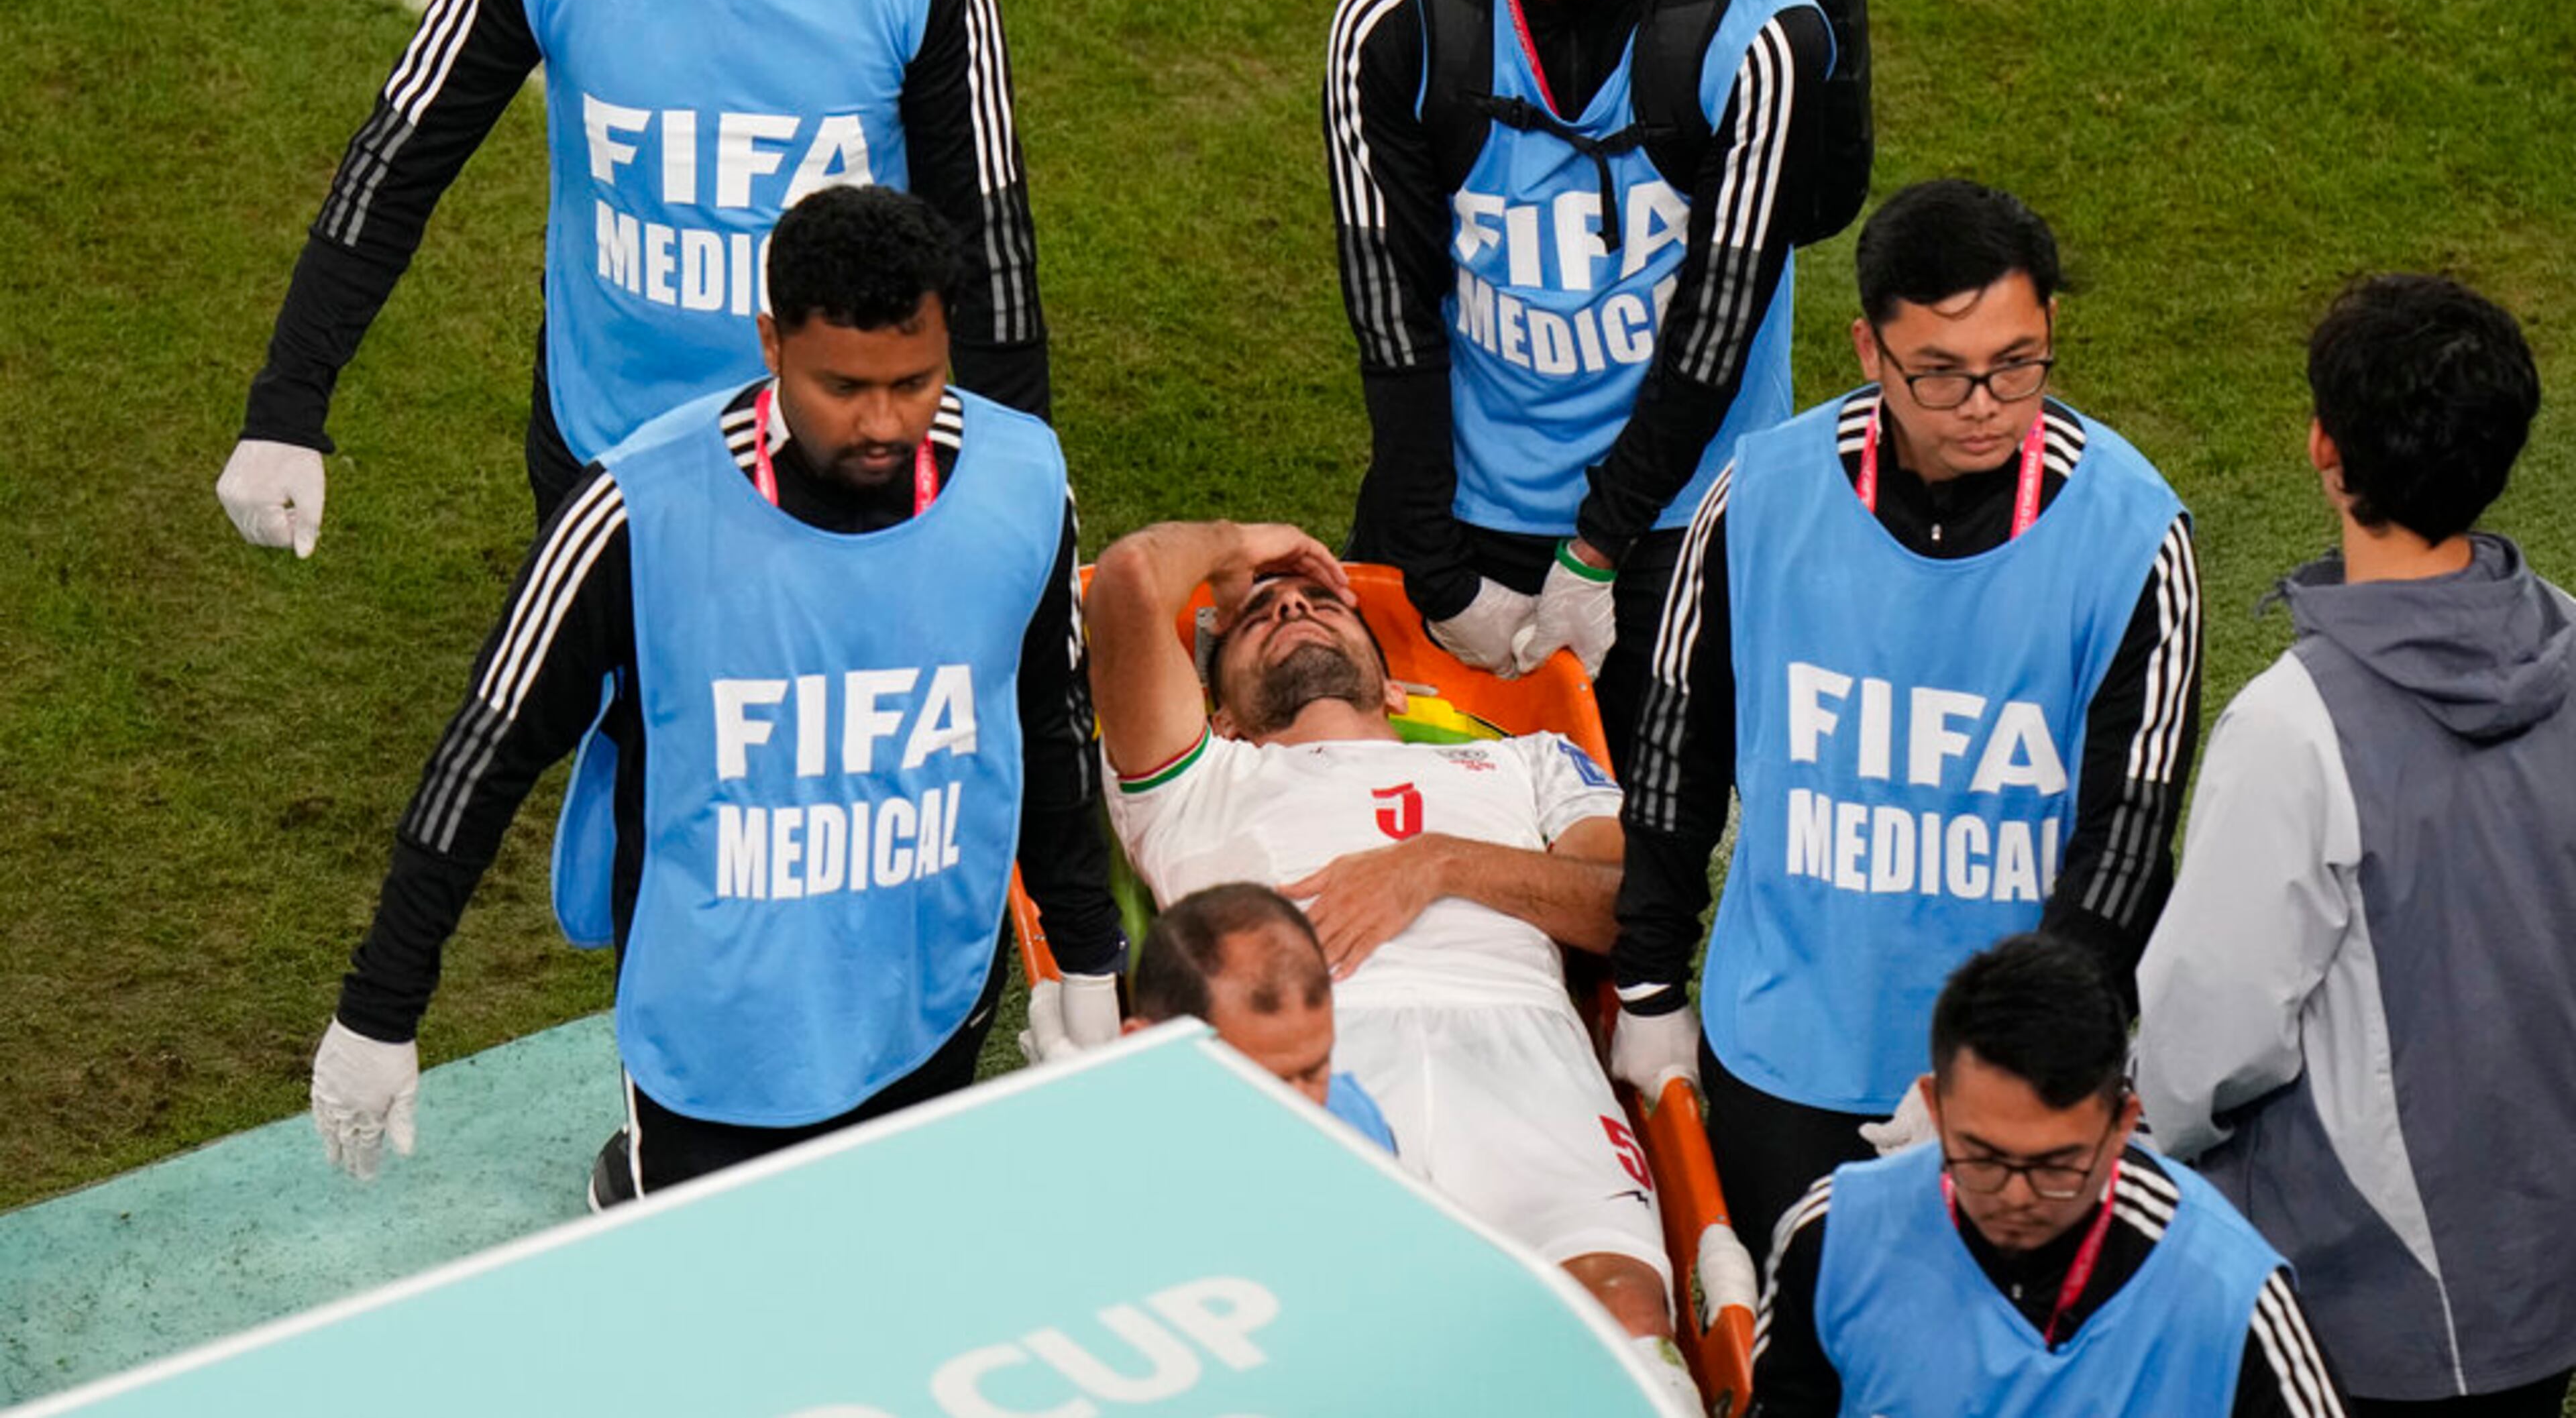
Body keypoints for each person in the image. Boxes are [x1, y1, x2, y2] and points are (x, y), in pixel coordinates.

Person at [306, 184, 1121, 1203]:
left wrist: (1088, 959)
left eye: (914, 382)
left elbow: (1048, 725)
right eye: (844, 386)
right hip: (719, 1035)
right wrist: (381, 1007)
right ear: (771, 342)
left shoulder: (1024, 480)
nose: (883, 423)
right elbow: (489, 750)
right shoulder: (635, 509)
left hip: (932, 992)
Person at [219, 0, 1050, 555]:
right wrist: (288, 403)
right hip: (604, 465)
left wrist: (1018, 506)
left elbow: (989, 246)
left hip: (839, 469)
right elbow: (398, 164)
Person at [1607, 178, 2203, 1256]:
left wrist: (2006, 1066)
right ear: (1868, 351)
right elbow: (1674, 749)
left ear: (2052, 329)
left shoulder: (2134, 532)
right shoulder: (1760, 496)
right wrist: (1649, 983)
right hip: (1788, 1056)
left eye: (2017, 364)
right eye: (1940, 373)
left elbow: (2126, 842)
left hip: (2018, 1099)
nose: (1983, 402)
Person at [1087, 519, 1699, 1415]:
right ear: (1216, 706)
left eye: (1322, 602)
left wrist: (1440, 863)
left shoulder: (1522, 761)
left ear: (1393, 681)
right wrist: (1234, 550)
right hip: (1301, 1060)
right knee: (1338, 1353)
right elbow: (1131, 579)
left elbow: (1631, 907)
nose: (1294, 604)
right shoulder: (1196, 779)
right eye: (1259, 613)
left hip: (1523, 1053)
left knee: (1616, 1317)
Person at [1325, 0, 1831, 768]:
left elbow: (1715, 331)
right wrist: (1436, 571)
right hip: (1458, 504)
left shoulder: (1761, 40)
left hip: (1674, 512)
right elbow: (1393, 312)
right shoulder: (1392, 21)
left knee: (1638, 871)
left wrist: (1597, 551)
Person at [2137, 275, 2573, 1415]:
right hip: (2548, 1280)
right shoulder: (2573, 646)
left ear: (2326, 449)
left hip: (2360, 1311)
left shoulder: (2293, 727)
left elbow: (2201, 1047)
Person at [1750, 932, 2346, 1417]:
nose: (2016, 1196)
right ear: (1933, 1109)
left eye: (2057, 1165)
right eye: (1982, 1158)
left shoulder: (2230, 1296)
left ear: (2123, 1124)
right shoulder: (1834, 1239)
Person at [1125, 882, 1397, 1153]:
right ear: (1147, 1053)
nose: (1305, 1115)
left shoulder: (1356, 1123)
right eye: (1268, 1086)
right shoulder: (1104, 1180)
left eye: (1314, 1072)